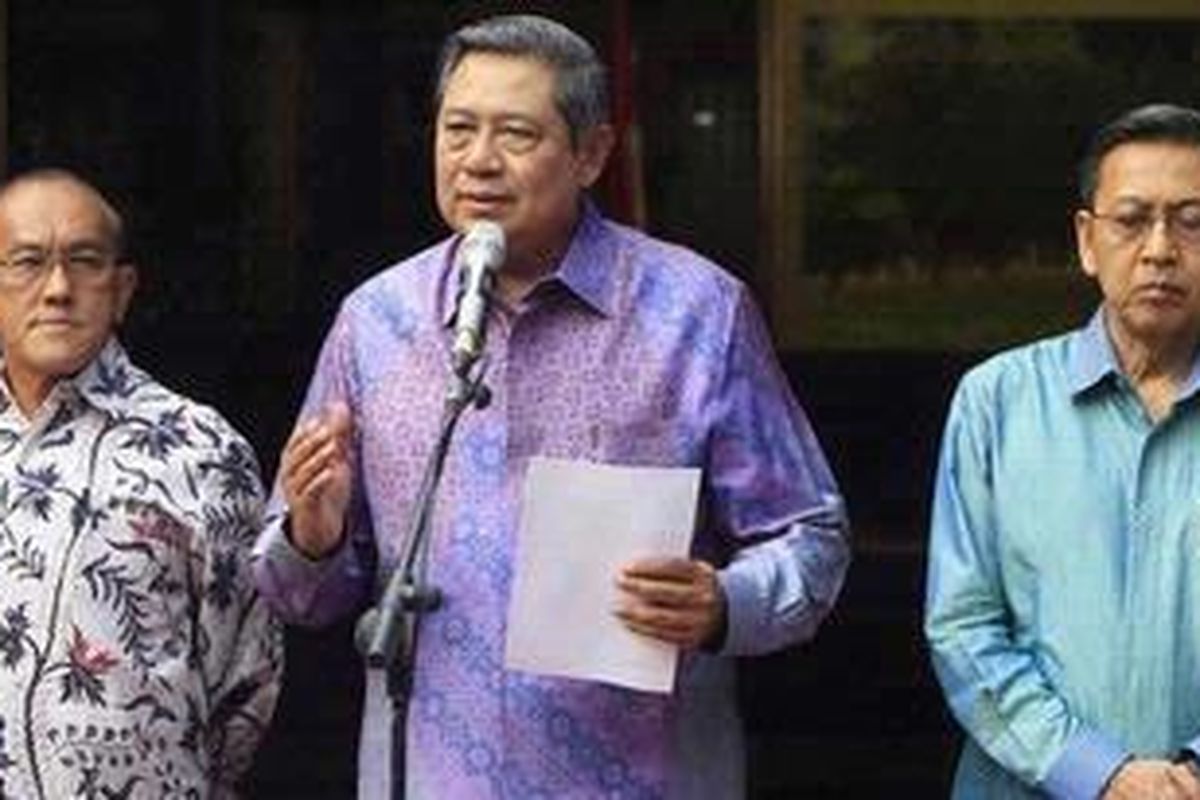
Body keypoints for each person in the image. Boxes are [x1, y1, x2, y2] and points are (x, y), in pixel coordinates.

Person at [252, 13, 849, 800]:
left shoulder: (696, 312)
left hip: (642, 779)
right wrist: (313, 535)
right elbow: (298, 594)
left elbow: (810, 535)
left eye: (516, 135)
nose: (478, 160)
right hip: (431, 777)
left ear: (592, 154)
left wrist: (724, 604)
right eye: (458, 129)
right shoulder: (377, 321)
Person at [925, 103, 1200, 799]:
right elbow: (962, 625)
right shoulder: (996, 402)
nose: (1160, 249)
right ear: (1086, 241)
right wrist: (1100, 773)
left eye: (1192, 221)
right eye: (1131, 220)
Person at [0, 169, 282, 800]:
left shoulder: (199, 451)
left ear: (122, 290)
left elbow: (247, 681)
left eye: (84, 262)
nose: (57, 289)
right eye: (27, 262)